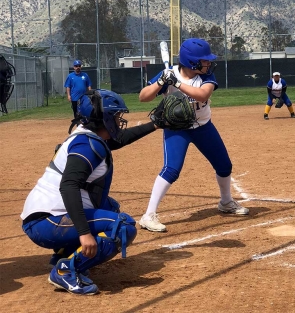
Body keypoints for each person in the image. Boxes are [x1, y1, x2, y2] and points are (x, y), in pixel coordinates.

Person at [20, 89, 159, 295]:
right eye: (115, 116)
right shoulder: (86, 146)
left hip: (46, 217)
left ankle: (64, 253)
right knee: (123, 227)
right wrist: (85, 234)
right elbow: (68, 186)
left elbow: (119, 140)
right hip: (47, 222)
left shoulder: (88, 135)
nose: (119, 120)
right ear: (102, 119)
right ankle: (66, 270)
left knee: (109, 206)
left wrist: (156, 124)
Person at [138, 38, 249, 232]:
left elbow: (202, 95)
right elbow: (143, 97)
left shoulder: (206, 78)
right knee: (172, 169)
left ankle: (226, 202)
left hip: (203, 127)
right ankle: (148, 215)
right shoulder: (169, 74)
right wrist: (161, 82)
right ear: (192, 62)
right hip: (176, 128)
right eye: (204, 60)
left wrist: (177, 84)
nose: (208, 63)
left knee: (224, 165)